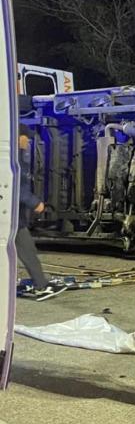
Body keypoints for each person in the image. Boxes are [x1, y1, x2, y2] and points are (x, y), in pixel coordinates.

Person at [16, 124, 66, 299]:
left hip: (14, 219)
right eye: (25, 138)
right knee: (27, 251)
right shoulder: (12, 159)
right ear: (17, 137)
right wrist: (35, 203)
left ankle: (41, 285)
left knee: (28, 250)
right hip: (10, 218)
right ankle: (41, 286)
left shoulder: (15, 157)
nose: (28, 141)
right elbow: (15, 187)